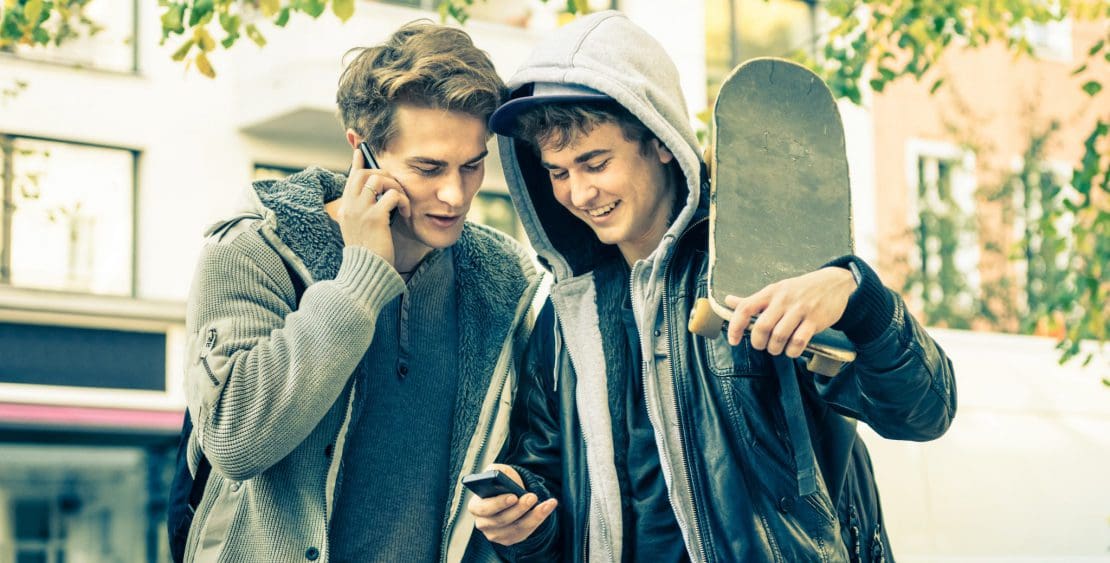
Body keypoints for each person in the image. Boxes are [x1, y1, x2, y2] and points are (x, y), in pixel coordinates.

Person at [468, 10, 957, 562]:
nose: (579, 193)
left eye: (595, 163)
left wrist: (856, 297)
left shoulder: (760, 262)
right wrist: (523, 526)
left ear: (660, 141)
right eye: (558, 172)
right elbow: (553, 496)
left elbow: (923, 412)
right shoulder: (564, 318)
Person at [179, 21, 541, 562]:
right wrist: (360, 279)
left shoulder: (505, 279)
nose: (455, 193)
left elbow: (536, 448)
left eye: (472, 165)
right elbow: (234, 439)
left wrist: (521, 496)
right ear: (361, 151)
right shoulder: (253, 250)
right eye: (427, 167)